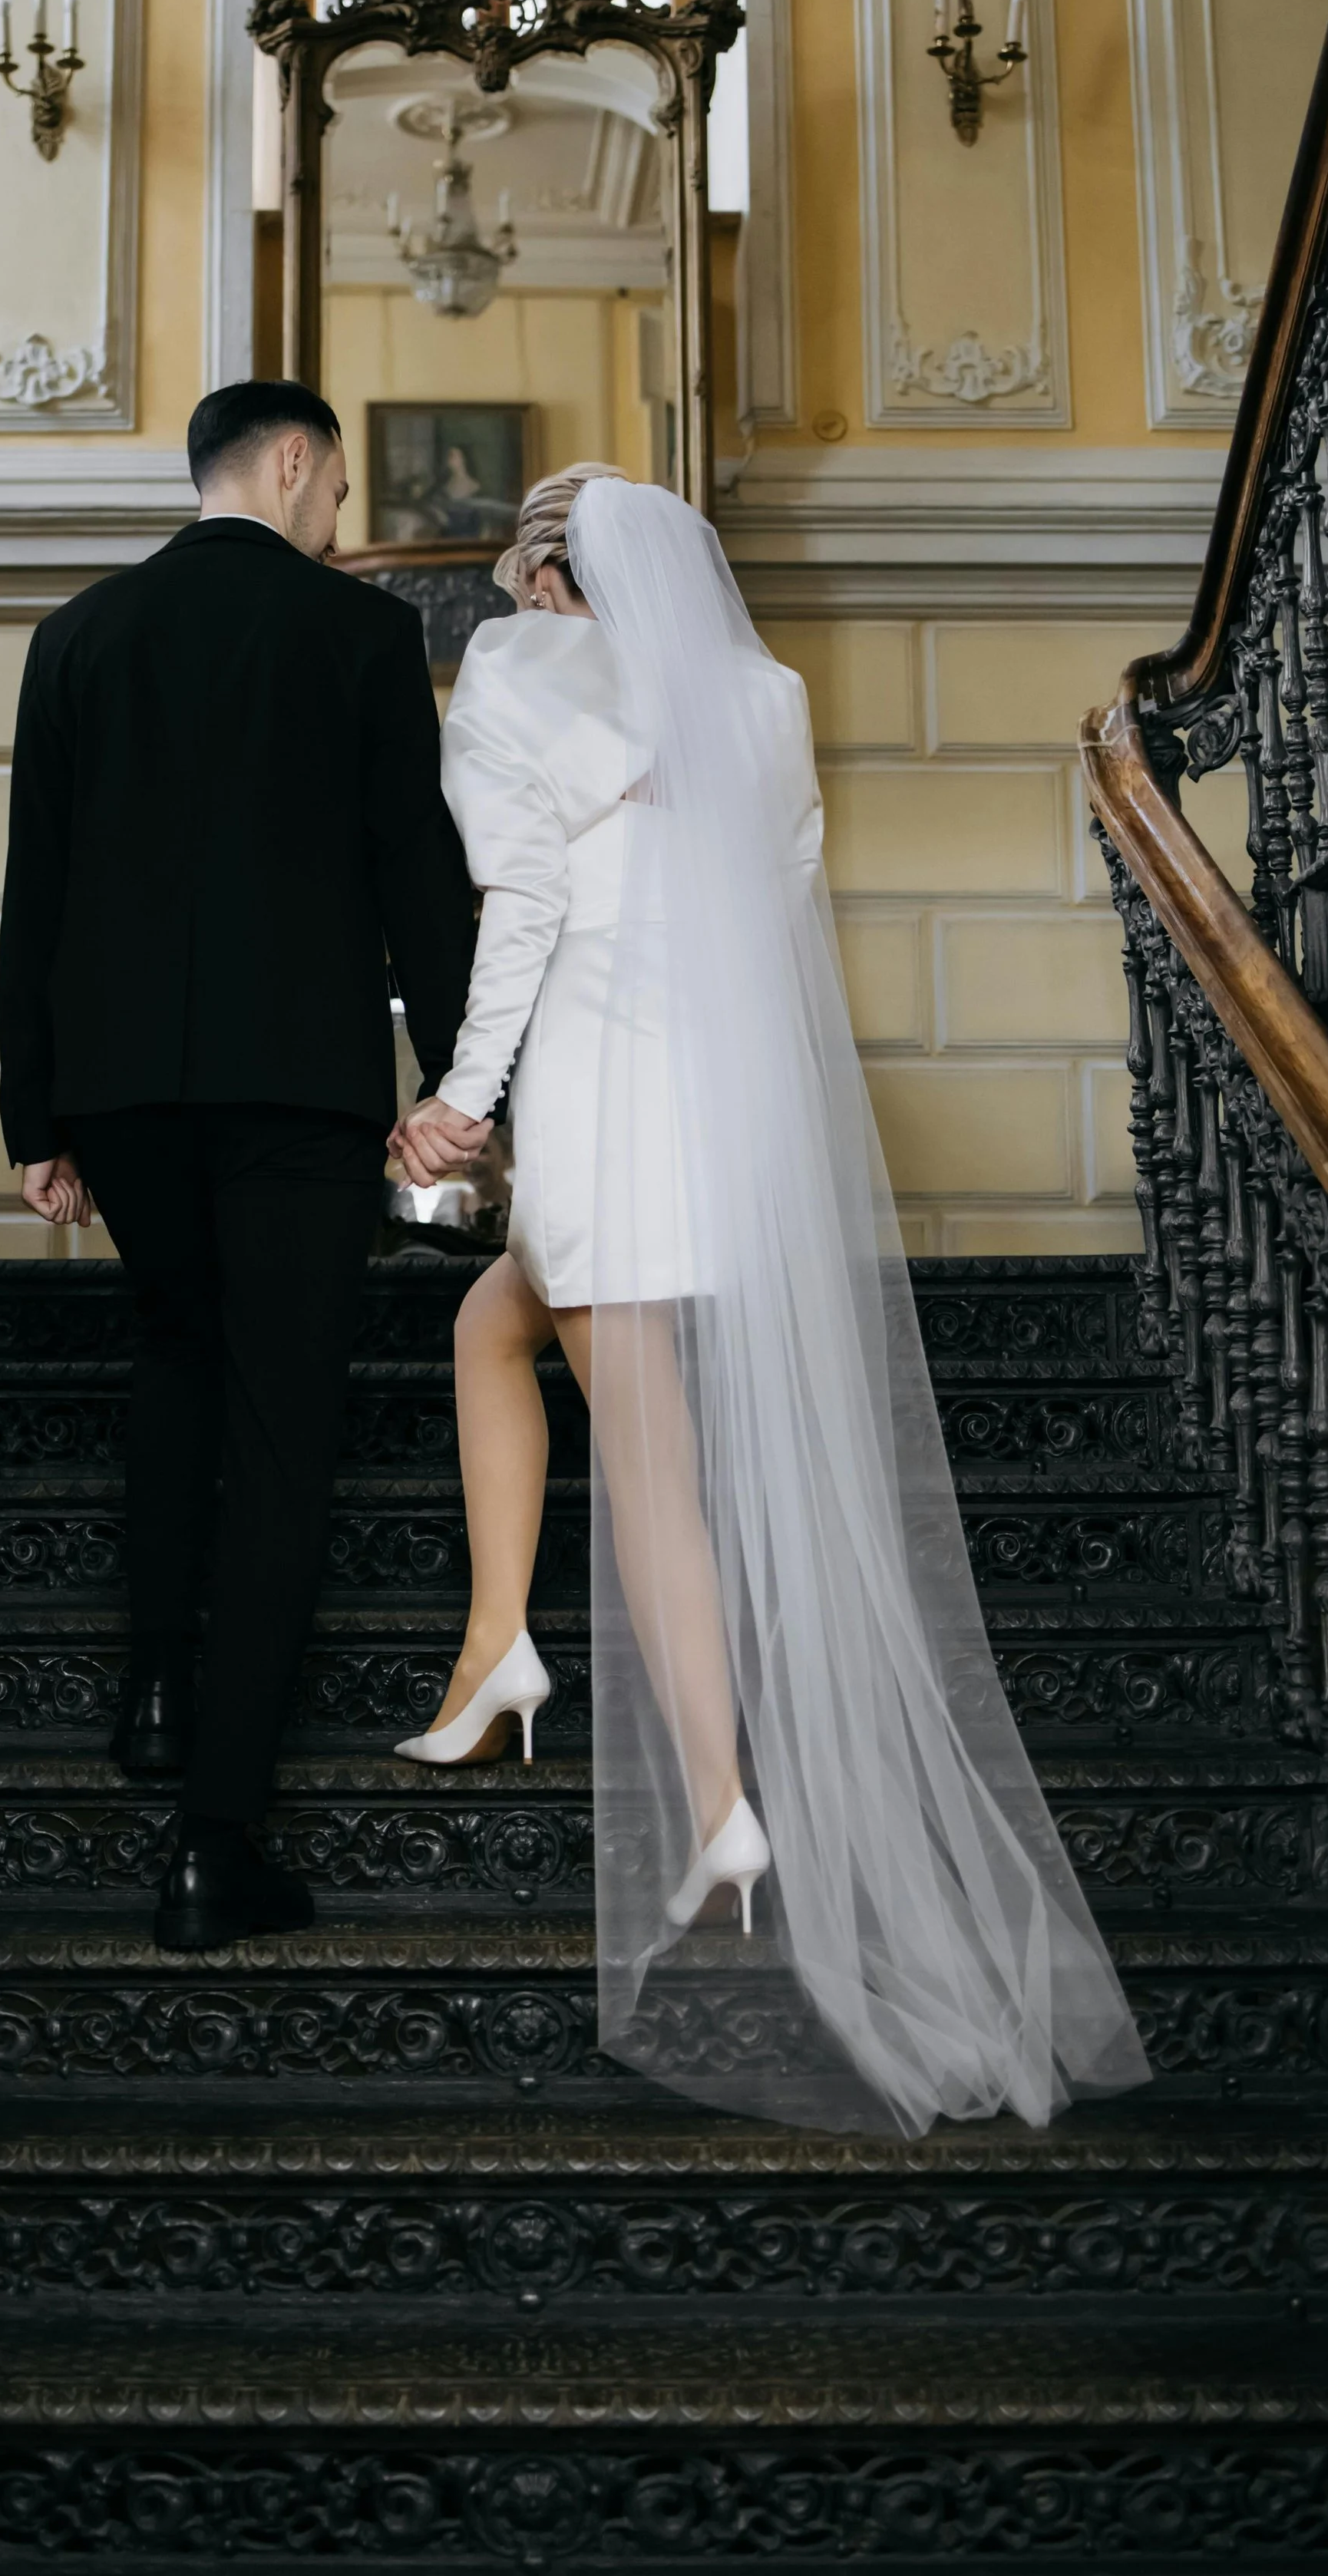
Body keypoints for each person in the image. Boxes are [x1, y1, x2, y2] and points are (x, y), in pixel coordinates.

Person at [391, 464, 1150, 2136]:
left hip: (593, 1082)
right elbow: (783, 895)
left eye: (524, 569)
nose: (516, 596)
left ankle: (723, 1803)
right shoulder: (760, 693)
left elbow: (516, 909)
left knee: (647, 1457)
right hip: (720, 1109)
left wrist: (459, 1098)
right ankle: (494, 1645)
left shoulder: (520, 675)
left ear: (543, 571)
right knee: (490, 1329)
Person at [0, 378, 481, 1953]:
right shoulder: (356, 639)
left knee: (172, 1350)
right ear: (291, 466)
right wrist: (463, 1086)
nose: (334, 518)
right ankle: (215, 1841)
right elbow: (416, 872)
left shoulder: (76, 637)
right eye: (333, 492)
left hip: (121, 1093)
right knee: (282, 1435)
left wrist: (35, 1119)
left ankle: (149, 1693)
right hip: (294, 1093)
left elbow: (37, 891)